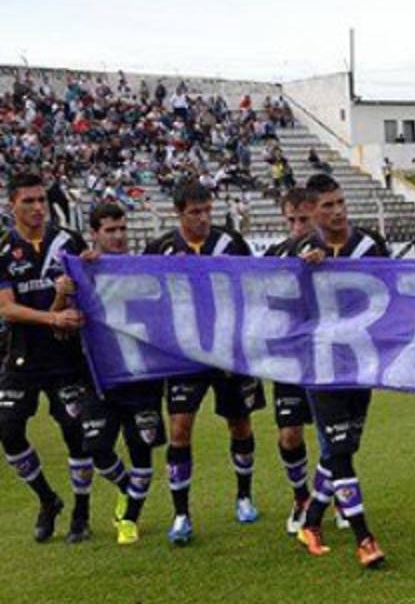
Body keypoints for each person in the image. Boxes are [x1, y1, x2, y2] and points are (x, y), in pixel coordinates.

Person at [0, 173, 128, 543]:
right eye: (29, 201)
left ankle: (81, 513)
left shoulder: (67, 240)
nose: (38, 207)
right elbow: (7, 309)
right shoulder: (4, 248)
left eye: (42, 199)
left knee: (75, 435)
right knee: (8, 431)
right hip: (22, 355)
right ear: (12, 205)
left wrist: (92, 264)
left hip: (66, 356)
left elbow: (88, 290)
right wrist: (52, 317)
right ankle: (47, 498)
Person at [144, 183, 266, 545]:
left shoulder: (231, 243)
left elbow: (253, 286)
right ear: (179, 213)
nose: (203, 219)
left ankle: (244, 496)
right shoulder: (161, 249)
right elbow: (142, 293)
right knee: (180, 429)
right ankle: (181, 514)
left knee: (239, 425)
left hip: (229, 351)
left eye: (207, 211)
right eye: (195, 212)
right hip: (184, 354)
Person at [293, 173, 390, 568]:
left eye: (340, 203)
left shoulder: (369, 245)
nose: (337, 212)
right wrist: (306, 270)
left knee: (342, 447)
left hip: (361, 363)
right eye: (327, 206)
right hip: (321, 365)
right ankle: (365, 538)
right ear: (312, 211)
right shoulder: (299, 251)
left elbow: (394, 291)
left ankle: (311, 522)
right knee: (341, 450)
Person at [69, 203, 166, 545]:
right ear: (94, 234)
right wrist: (69, 288)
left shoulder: (143, 269)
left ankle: (129, 519)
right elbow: (63, 318)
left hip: (142, 378)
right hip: (101, 378)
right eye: (110, 230)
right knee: (96, 449)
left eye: (122, 228)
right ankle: (127, 488)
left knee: (143, 454)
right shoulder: (81, 271)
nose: (119, 236)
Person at [262, 188, 330, 535]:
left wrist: (325, 261)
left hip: (326, 355)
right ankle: (301, 496)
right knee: (289, 435)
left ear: (317, 214)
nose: (298, 226)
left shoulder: (333, 249)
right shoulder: (276, 254)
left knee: (331, 434)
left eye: (304, 219)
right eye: (292, 220)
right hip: (289, 358)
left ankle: (333, 494)